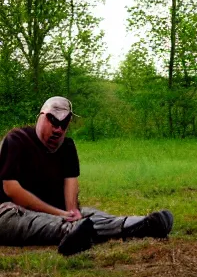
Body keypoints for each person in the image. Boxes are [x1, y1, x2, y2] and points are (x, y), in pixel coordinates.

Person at [0, 96, 173, 256]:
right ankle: (71, 231)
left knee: (89, 216)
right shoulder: (16, 140)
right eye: (53, 121)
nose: (58, 130)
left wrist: (71, 211)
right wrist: (60, 214)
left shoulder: (67, 147)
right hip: (12, 211)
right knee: (26, 220)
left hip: (58, 212)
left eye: (64, 124)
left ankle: (141, 224)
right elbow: (12, 189)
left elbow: (71, 183)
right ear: (41, 116)